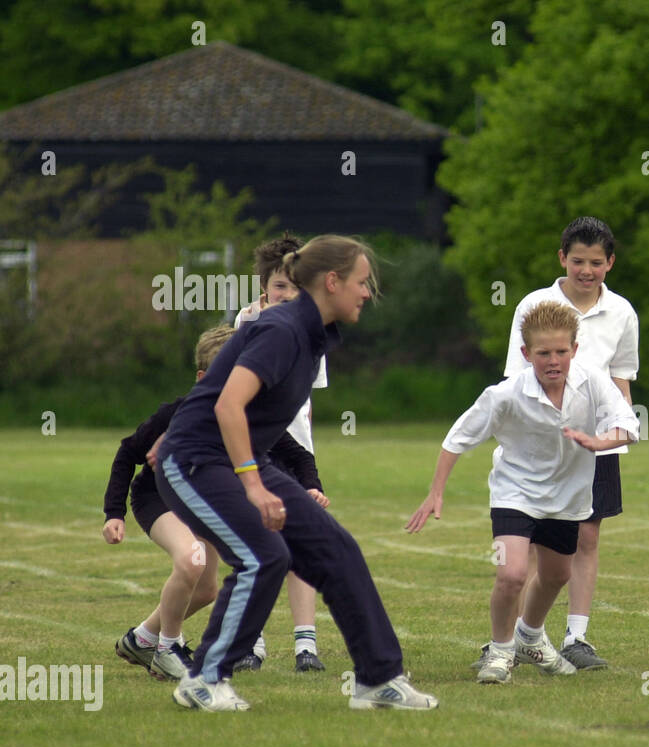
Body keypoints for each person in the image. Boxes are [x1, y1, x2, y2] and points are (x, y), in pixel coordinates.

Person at [155, 235, 437, 711]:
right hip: (195, 461)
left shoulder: (313, 334)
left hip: (241, 459)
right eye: (361, 282)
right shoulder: (283, 329)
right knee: (264, 556)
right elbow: (228, 405)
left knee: (337, 550)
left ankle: (378, 680)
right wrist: (252, 484)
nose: (367, 293)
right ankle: (204, 679)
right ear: (332, 282)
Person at [407, 300, 640, 684]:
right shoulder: (506, 393)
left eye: (561, 352)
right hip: (514, 492)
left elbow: (627, 424)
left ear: (575, 351)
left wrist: (599, 443)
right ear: (525, 354)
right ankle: (500, 651)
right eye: (543, 353)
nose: (553, 360)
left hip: (568, 499)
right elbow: (457, 438)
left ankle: (530, 637)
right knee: (512, 573)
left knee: (556, 575)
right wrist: (436, 492)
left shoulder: (592, 381)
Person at [471, 216, 639, 671]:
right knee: (527, 547)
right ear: (562, 258)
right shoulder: (534, 304)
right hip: (539, 441)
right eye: (579, 260)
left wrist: (616, 434)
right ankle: (511, 638)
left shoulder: (622, 311)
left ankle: (577, 637)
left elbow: (621, 377)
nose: (587, 270)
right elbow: (515, 375)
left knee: (586, 534)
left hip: (596, 440)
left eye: (597, 262)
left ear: (610, 264)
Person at [103, 327, 228, 681]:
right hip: (156, 497)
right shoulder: (178, 413)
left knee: (206, 589)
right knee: (191, 559)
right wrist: (115, 513)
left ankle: (141, 638)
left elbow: (286, 450)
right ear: (203, 378)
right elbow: (128, 451)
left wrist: (308, 485)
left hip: (203, 502)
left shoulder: (244, 414)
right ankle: (168, 649)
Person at [231, 233, 330, 673]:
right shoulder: (246, 324)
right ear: (263, 289)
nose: (287, 295)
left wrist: (307, 465)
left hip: (294, 453)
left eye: (296, 287)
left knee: (301, 546)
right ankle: (252, 641)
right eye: (279, 286)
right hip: (251, 450)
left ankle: (305, 643)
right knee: (256, 545)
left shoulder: (314, 331)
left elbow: (307, 400)